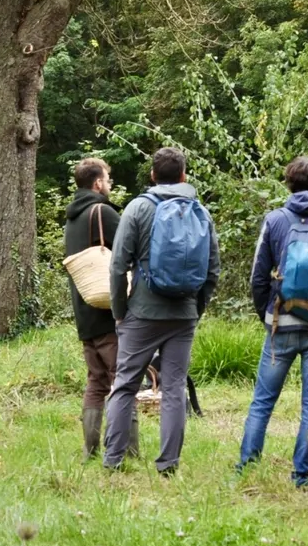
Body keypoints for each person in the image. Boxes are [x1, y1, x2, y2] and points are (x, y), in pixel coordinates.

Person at [102, 147, 219, 476]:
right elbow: (212, 272)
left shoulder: (138, 208)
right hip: (183, 315)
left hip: (141, 312)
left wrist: (120, 311)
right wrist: (196, 308)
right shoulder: (201, 212)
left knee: (125, 384)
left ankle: (113, 460)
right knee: (173, 387)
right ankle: (168, 465)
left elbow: (117, 266)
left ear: (152, 175)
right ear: (184, 176)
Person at [237, 155, 308, 487]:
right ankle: (301, 475)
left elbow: (258, 277)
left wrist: (267, 314)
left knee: (262, 401)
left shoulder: (275, 221)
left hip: (279, 328)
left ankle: (246, 467)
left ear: (288, 183)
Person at [64, 157, 125, 460]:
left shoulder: (72, 219)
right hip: (108, 311)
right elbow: (131, 250)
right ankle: (126, 449)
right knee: (121, 380)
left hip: (84, 313)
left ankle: (90, 450)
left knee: (95, 381)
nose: (110, 184)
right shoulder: (103, 212)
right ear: (98, 183)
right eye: (108, 178)